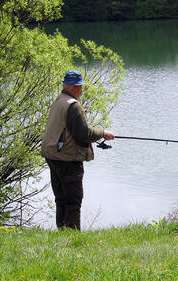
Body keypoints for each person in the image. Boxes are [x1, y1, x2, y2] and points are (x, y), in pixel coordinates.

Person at [41, 70, 114, 230]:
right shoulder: (73, 106)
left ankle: (62, 234)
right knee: (73, 201)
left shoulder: (58, 101)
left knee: (61, 199)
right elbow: (84, 133)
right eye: (80, 87)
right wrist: (103, 133)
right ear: (75, 87)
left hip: (54, 157)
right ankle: (72, 238)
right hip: (68, 159)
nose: (81, 90)